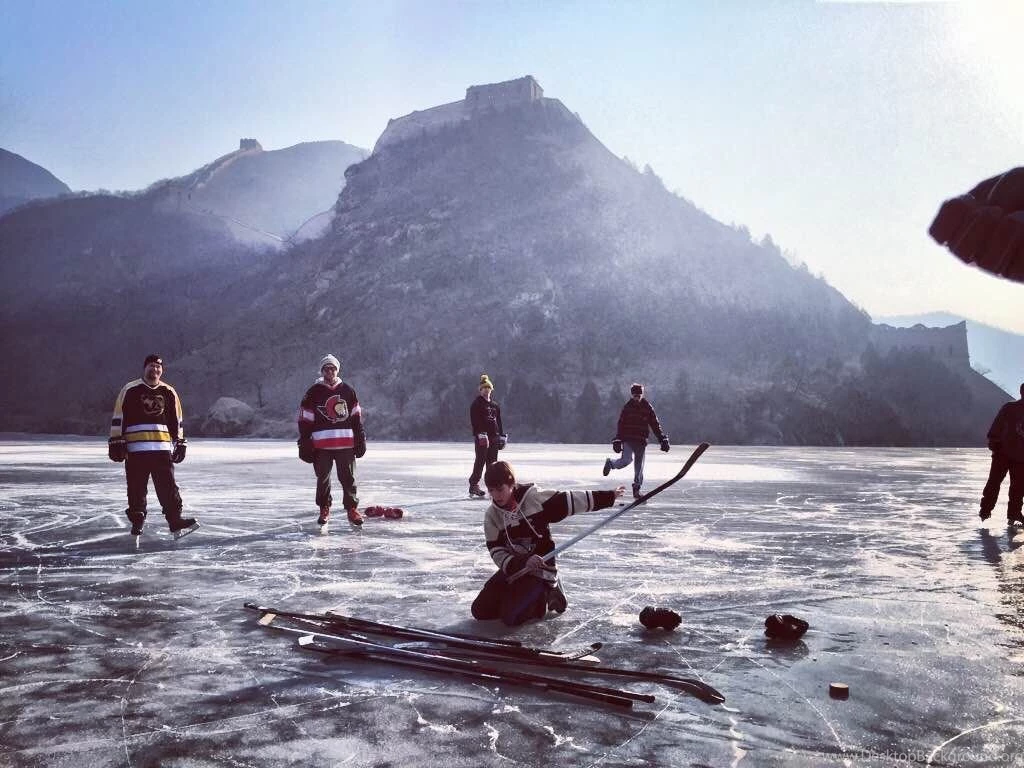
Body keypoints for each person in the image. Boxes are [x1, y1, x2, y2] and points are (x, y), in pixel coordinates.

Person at [471, 461, 624, 626]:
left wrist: (608, 497)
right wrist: (522, 562)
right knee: (480, 611)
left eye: (500, 489)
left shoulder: (533, 498)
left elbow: (569, 500)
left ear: (511, 485)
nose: (496, 495)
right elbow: (496, 551)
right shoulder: (492, 516)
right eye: (491, 490)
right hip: (515, 570)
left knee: (510, 618)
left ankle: (545, 593)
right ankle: (521, 596)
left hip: (541, 570)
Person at [107, 354, 198, 543]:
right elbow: (119, 416)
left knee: (168, 487)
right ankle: (137, 520)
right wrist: (116, 440)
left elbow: (176, 420)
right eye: (151, 366)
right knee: (136, 487)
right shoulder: (130, 389)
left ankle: (175, 521)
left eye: (158, 366)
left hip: (161, 449)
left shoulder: (169, 391)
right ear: (144, 368)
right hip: (136, 449)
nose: (155, 369)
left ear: (162, 370)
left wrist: (180, 442)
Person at [298, 354, 367, 530]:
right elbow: (305, 418)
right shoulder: (313, 392)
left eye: (333, 368)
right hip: (321, 445)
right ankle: (324, 508)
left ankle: (352, 509)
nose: (330, 371)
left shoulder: (348, 390)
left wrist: (360, 438)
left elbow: (356, 417)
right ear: (322, 371)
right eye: (326, 368)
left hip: (346, 443)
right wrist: (305, 440)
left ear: (337, 370)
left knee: (348, 478)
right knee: (323, 478)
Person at [602, 383, 670, 499]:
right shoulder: (627, 407)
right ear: (632, 395)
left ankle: (636, 490)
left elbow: (655, 424)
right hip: (628, 439)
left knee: (639, 467)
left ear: (642, 395)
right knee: (626, 460)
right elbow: (621, 424)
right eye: (635, 396)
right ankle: (611, 463)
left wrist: (662, 439)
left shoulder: (647, 407)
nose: (637, 398)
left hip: (641, 441)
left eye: (639, 396)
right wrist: (618, 439)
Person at [979, 383, 1024, 525]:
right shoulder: (1010, 407)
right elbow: (997, 425)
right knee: (994, 482)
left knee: (1019, 486)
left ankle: (1014, 513)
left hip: (1021, 457)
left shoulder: (1009, 407)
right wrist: (994, 440)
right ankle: (985, 510)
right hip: (1003, 453)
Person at [468, 373, 506, 498]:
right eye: (484, 388)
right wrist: (479, 434)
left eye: (488, 388)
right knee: (480, 461)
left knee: (492, 464)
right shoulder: (476, 404)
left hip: (494, 437)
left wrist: (501, 436)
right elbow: (474, 420)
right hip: (482, 438)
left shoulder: (495, 405)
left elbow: (498, 421)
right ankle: (474, 485)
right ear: (480, 390)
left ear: (491, 389)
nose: (486, 390)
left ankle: (493, 486)